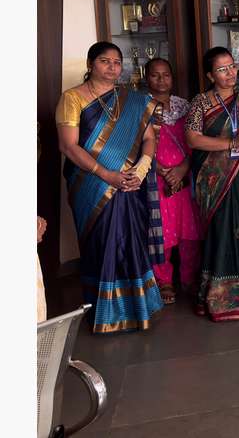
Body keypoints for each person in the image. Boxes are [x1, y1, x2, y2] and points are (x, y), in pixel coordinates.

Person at [56, 41, 164, 334]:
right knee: (101, 244)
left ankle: (136, 309)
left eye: (117, 62)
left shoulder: (134, 100)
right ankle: (105, 313)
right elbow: (68, 145)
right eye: (105, 61)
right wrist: (106, 174)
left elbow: (149, 139)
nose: (113, 67)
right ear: (91, 64)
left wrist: (140, 170)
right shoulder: (73, 98)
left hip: (129, 182)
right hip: (90, 185)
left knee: (131, 242)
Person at [186, 47, 239, 321]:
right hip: (214, 177)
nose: (230, 73)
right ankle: (221, 300)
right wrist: (230, 143)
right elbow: (193, 139)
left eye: (232, 66)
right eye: (222, 69)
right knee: (222, 233)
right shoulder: (200, 103)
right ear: (211, 75)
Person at [147, 59, 202, 305]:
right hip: (155, 179)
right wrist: (162, 171)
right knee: (161, 231)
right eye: (155, 75)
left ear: (172, 77)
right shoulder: (140, 107)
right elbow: (135, 147)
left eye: (166, 75)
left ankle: (189, 277)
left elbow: (195, 142)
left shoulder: (186, 107)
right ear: (146, 78)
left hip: (184, 177)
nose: (161, 80)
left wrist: (181, 170)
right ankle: (164, 279)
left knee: (189, 230)